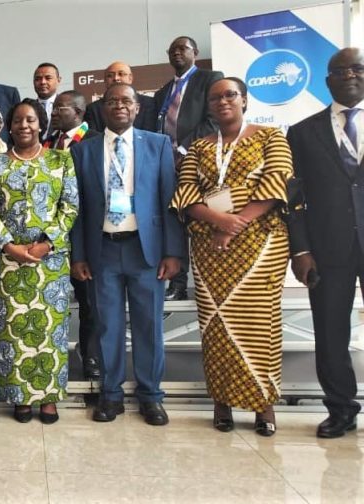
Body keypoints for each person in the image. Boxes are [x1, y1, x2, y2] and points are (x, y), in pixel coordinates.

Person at [171, 77, 291, 436]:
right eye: (215, 98)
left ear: (244, 100)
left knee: (260, 324)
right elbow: (186, 192)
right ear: (208, 106)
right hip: (211, 249)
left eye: (230, 95)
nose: (223, 102)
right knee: (216, 326)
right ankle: (221, 403)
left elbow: (277, 182)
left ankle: (263, 406)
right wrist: (218, 220)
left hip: (260, 245)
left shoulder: (271, 137)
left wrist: (234, 224)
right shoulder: (199, 147)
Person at [69, 83, 184, 426]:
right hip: (101, 250)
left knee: (149, 325)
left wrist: (173, 252)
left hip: (145, 250)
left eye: (126, 101)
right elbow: (78, 208)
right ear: (102, 109)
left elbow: (169, 200)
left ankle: (151, 396)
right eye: (111, 101)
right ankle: (111, 394)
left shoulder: (158, 144)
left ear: (137, 108)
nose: (119, 106)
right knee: (107, 326)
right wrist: (78, 255)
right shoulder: (83, 151)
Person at [0, 99, 79, 424]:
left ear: (41, 124)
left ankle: (49, 399)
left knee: (50, 332)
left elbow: (70, 206)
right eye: (18, 120)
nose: (24, 125)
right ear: (9, 127)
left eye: (31, 120)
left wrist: (45, 244)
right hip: (7, 264)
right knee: (12, 332)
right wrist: (8, 245)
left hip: (49, 264)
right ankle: (19, 397)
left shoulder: (60, 160)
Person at [288, 47, 364, 439]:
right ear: (327, 80)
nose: (349, 75)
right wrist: (300, 250)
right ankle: (341, 408)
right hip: (327, 247)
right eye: (340, 70)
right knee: (330, 332)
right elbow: (294, 198)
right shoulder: (302, 132)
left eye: (357, 68)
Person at [153, 36, 224, 302]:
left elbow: (213, 120)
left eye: (182, 48)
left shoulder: (210, 79)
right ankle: (178, 284)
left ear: (195, 52)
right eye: (172, 50)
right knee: (174, 222)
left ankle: (212, 282)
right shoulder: (162, 92)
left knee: (205, 220)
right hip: (166, 167)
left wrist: (183, 151)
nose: (177, 53)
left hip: (198, 163)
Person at [46, 90, 100, 379]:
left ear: (78, 112)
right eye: (54, 108)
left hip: (84, 233)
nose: (54, 112)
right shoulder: (48, 143)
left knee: (89, 300)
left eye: (60, 108)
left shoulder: (95, 141)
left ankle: (90, 355)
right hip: (52, 235)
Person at [84, 62, 156, 133]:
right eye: (110, 75)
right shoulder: (93, 109)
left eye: (121, 74)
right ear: (105, 81)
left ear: (130, 78)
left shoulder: (149, 103)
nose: (116, 78)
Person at [33, 62, 63, 142]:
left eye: (48, 78)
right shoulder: (29, 108)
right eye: (38, 79)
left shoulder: (67, 108)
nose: (43, 82)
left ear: (58, 80)